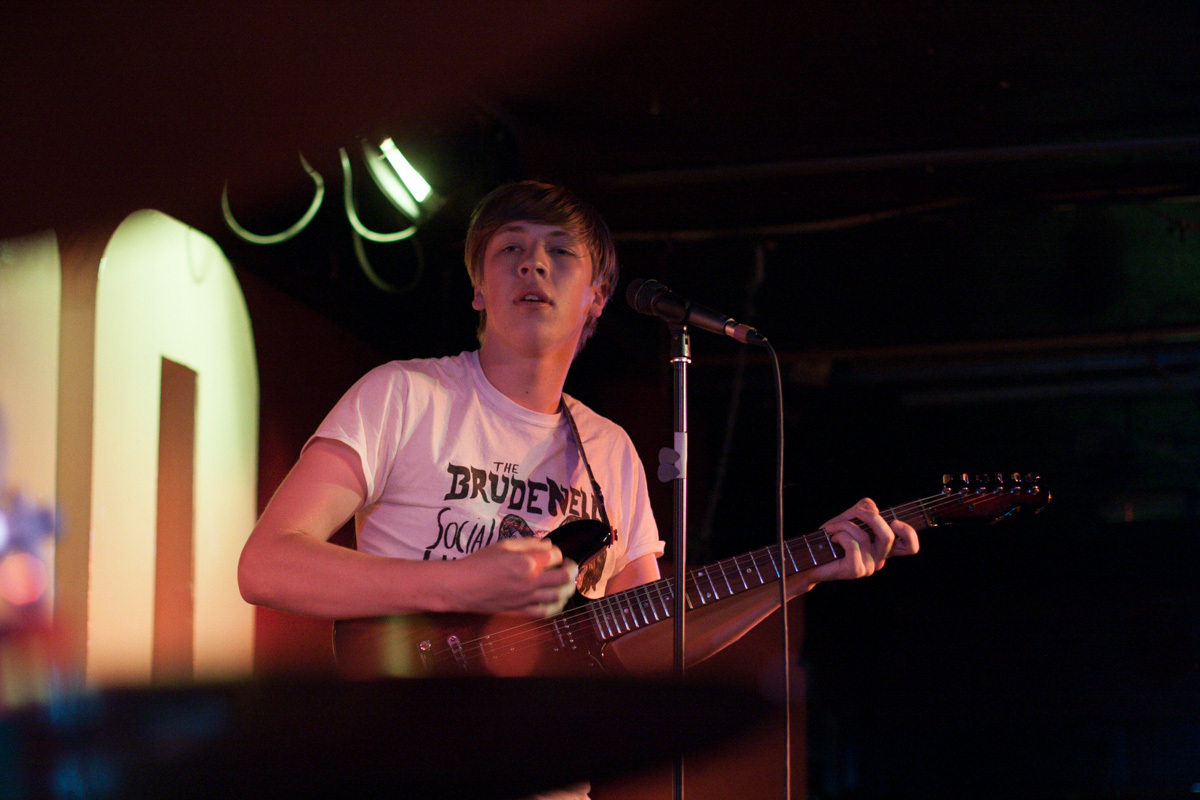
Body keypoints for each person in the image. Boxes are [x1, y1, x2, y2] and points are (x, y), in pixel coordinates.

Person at [237, 180, 918, 796]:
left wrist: (800, 574)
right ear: (477, 286)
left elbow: (646, 639)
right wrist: (458, 585)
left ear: (596, 295)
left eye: (560, 252)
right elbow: (268, 563)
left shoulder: (608, 448)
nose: (532, 263)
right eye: (509, 248)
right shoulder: (404, 395)